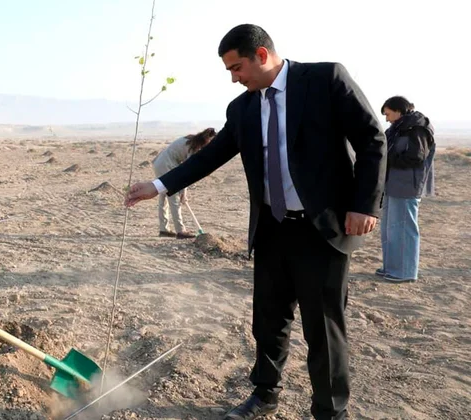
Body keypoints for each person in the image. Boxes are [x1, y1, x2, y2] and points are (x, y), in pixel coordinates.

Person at [125, 24, 386, 420]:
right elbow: (208, 158)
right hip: (272, 230)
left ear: (261, 55)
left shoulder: (324, 79)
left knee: (324, 329)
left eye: (236, 67)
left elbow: (372, 139)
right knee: (267, 321)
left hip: (322, 230)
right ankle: (265, 394)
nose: (234, 78)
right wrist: (158, 185)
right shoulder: (243, 107)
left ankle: (331, 412)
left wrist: (365, 205)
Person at [377, 96, 435, 282]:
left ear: (397, 110)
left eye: (387, 114)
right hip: (392, 184)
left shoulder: (417, 128)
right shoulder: (397, 128)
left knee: (404, 228)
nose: (386, 119)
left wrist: (389, 160)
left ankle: (405, 272)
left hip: (407, 185)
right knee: (390, 228)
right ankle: (391, 267)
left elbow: (416, 156)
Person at [152, 128, 217, 238]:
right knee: (174, 197)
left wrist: (183, 190)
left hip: (160, 163)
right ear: (206, 139)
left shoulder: (191, 139)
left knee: (163, 196)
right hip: (166, 165)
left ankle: (164, 229)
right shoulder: (194, 146)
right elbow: (187, 171)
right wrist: (183, 192)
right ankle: (180, 231)